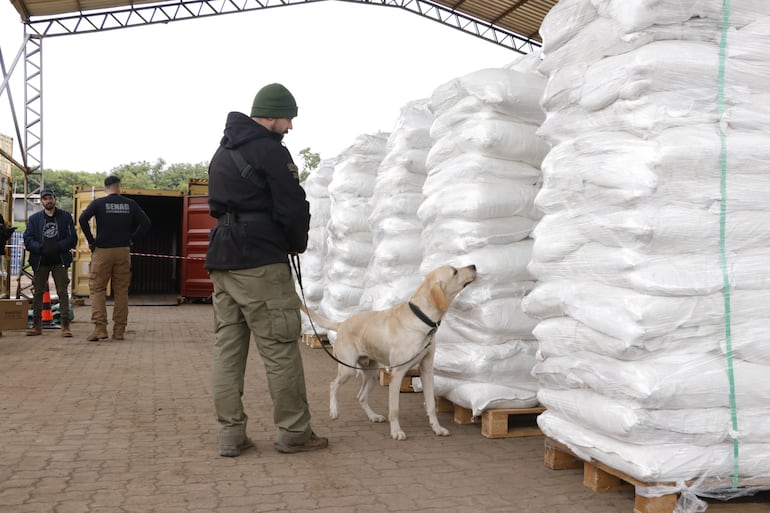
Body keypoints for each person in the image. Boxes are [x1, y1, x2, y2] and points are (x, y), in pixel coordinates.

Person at [206, 83, 327, 457]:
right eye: (288, 118)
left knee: (228, 350)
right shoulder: (271, 151)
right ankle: (294, 432)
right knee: (279, 348)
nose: (290, 126)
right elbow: (292, 204)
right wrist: (295, 241)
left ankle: (231, 436)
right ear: (272, 116)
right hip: (259, 260)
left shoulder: (222, 152)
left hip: (223, 258)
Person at [78, 175, 151, 341]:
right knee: (121, 291)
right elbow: (146, 223)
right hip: (123, 251)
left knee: (97, 289)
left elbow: (82, 219)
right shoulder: (130, 204)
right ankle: (119, 331)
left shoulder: (98, 203)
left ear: (105, 188)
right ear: (119, 187)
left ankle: (100, 328)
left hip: (102, 251)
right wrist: (132, 238)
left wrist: (91, 241)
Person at [22, 189, 77, 337]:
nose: (48, 201)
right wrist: (39, 248)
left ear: (55, 199)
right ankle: (36, 325)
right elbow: (27, 238)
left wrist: (59, 246)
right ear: (41, 201)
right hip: (40, 261)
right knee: (38, 293)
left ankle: (65, 326)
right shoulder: (34, 219)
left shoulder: (65, 217)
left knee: (63, 293)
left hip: (60, 260)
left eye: (50, 198)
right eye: (45, 199)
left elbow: (73, 238)